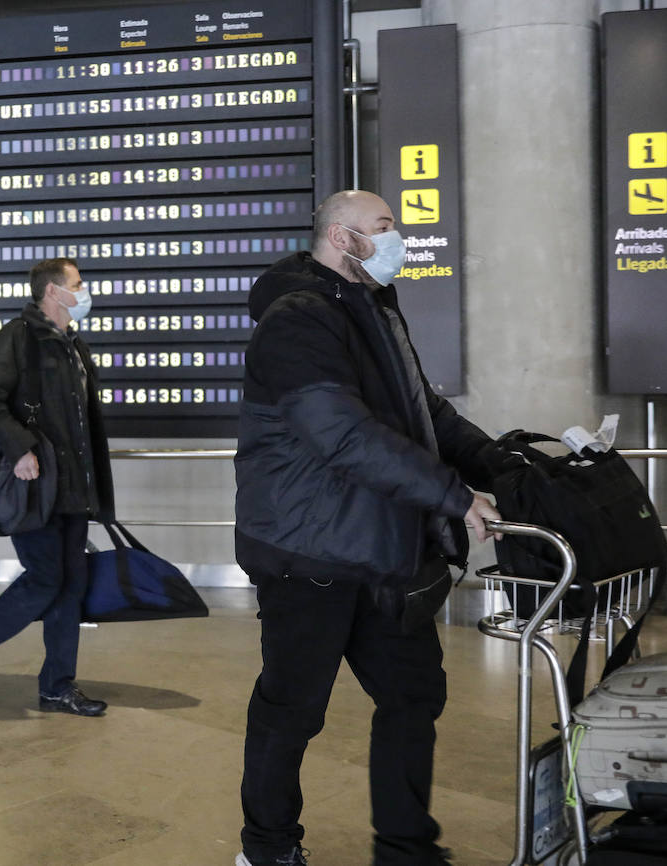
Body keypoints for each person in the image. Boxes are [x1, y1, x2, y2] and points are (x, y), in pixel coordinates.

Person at [233, 190, 504, 866]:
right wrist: (450, 493)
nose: (397, 240)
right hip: (309, 553)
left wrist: (500, 461)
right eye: (385, 228)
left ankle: (405, 847)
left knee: (414, 695)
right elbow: (342, 433)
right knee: (292, 709)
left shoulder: (374, 307)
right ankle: (267, 849)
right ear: (343, 238)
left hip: (382, 546)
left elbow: (423, 412)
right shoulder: (296, 319)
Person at [0, 257, 115, 717]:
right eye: (77, 284)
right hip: (35, 485)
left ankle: (58, 687)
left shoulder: (72, 345)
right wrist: (21, 448)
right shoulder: (18, 338)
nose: (85, 291)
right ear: (54, 292)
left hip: (74, 489)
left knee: (69, 587)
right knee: (46, 579)